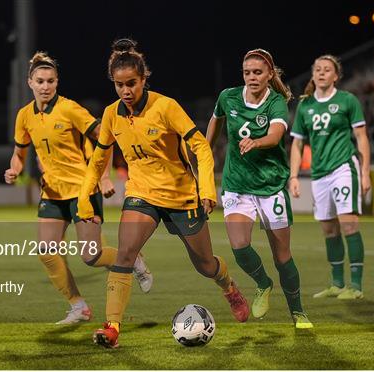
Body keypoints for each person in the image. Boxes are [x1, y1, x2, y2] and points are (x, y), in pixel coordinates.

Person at [77, 39, 250, 349]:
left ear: (144, 79)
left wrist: (207, 189)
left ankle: (229, 287)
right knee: (125, 255)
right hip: (141, 194)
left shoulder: (166, 106)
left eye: (131, 83)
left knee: (205, 264)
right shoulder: (110, 115)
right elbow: (98, 160)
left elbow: (200, 147)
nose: (126, 90)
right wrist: (83, 199)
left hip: (182, 196)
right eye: (119, 85)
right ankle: (112, 327)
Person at [4, 51, 153, 325]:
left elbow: (104, 138)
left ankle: (134, 261)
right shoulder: (24, 116)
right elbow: (19, 152)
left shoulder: (70, 109)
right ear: (30, 83)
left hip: (83, 190)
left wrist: (104, 177)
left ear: (57, 82)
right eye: (40, 81)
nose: (45, 86)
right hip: (52, 193)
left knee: (91, 255)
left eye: (50, 81)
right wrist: (14, 168)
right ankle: (79, 307)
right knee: (47, 252)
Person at [206, 48, 312, 329]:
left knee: (283, 256)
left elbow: (277, 134)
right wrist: (204, 152)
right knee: (240, 247)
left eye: (257, 72)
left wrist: (258, 141)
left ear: (269, 75)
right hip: (237, 185)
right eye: (247, 72)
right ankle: (263, 284)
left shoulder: (276, 102)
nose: (251, 77)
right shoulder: (227, 97)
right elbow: (215, 122)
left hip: (270, 186)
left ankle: (298, 312)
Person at [289, 55, 370, 300]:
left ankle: (355, 286)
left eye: (327, 70)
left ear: (336, 76)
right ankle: (336, 283)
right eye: (317, 69)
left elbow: (362, 137)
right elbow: (297, 144)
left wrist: (365, 173)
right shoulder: (305, 106)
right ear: (313, 75)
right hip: (319, 174)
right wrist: (293, 176)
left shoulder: (347, 100)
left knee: (348, 224)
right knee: (328, 229)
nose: (322, 73)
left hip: (344, 167)